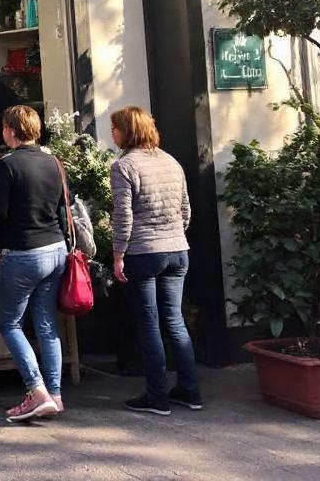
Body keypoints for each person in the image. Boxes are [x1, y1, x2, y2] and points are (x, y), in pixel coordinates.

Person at [109, 105, 200, 416]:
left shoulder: (124, 166)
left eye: (115, 128)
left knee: (149, 324)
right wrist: (173, 233)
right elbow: (186, 210)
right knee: (175, 321)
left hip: (144, 251)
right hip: (178, 248)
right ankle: (190, 389)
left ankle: (156, 395)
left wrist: (118, 254)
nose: (113, 134)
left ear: (127, 132)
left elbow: (123, 216)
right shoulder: (171, 161)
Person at [0, 104, 68, 422]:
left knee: (10, 323)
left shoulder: (8, 165)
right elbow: (63, 204)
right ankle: (56, 394)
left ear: (10, 130)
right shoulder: (53, 162)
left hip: (23, 251)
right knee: (47, 325)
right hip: (55, 247)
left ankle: (36, 390)